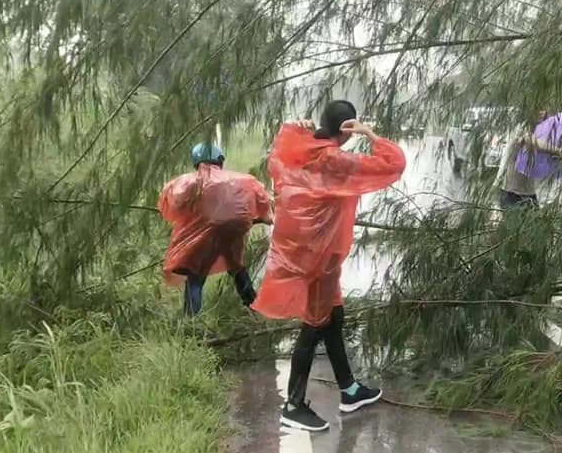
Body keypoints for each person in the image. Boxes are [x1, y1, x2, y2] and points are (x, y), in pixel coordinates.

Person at [252, 100, 406, 432]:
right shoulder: (335, 161)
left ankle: (349, 389)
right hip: (318, 257)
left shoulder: (300, 150)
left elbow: (281, 146)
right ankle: (293, 405)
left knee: (333, 317)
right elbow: (393, 164)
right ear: (347, 128)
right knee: (314, 325)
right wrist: (370, 134)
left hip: (306, 250)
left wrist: (299, 128)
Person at [159, 143, 272, 317]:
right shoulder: (244, 180)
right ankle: (254, 308)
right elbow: (261, 202)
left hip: (205, 235)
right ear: (220, 160)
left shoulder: (188, 182)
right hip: (233, 232)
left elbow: (172, 205)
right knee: (237, 268)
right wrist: (263, 217)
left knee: (196, 274)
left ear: (197, 162)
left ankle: (191, 321)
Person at [494, 109, 562, 209]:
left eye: (544, 110)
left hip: (528, 192)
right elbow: (533, 142)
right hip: (509, 190)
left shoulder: (542, 133)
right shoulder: (521, 126)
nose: (541, 112)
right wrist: (561, 152)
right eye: (538, 109)